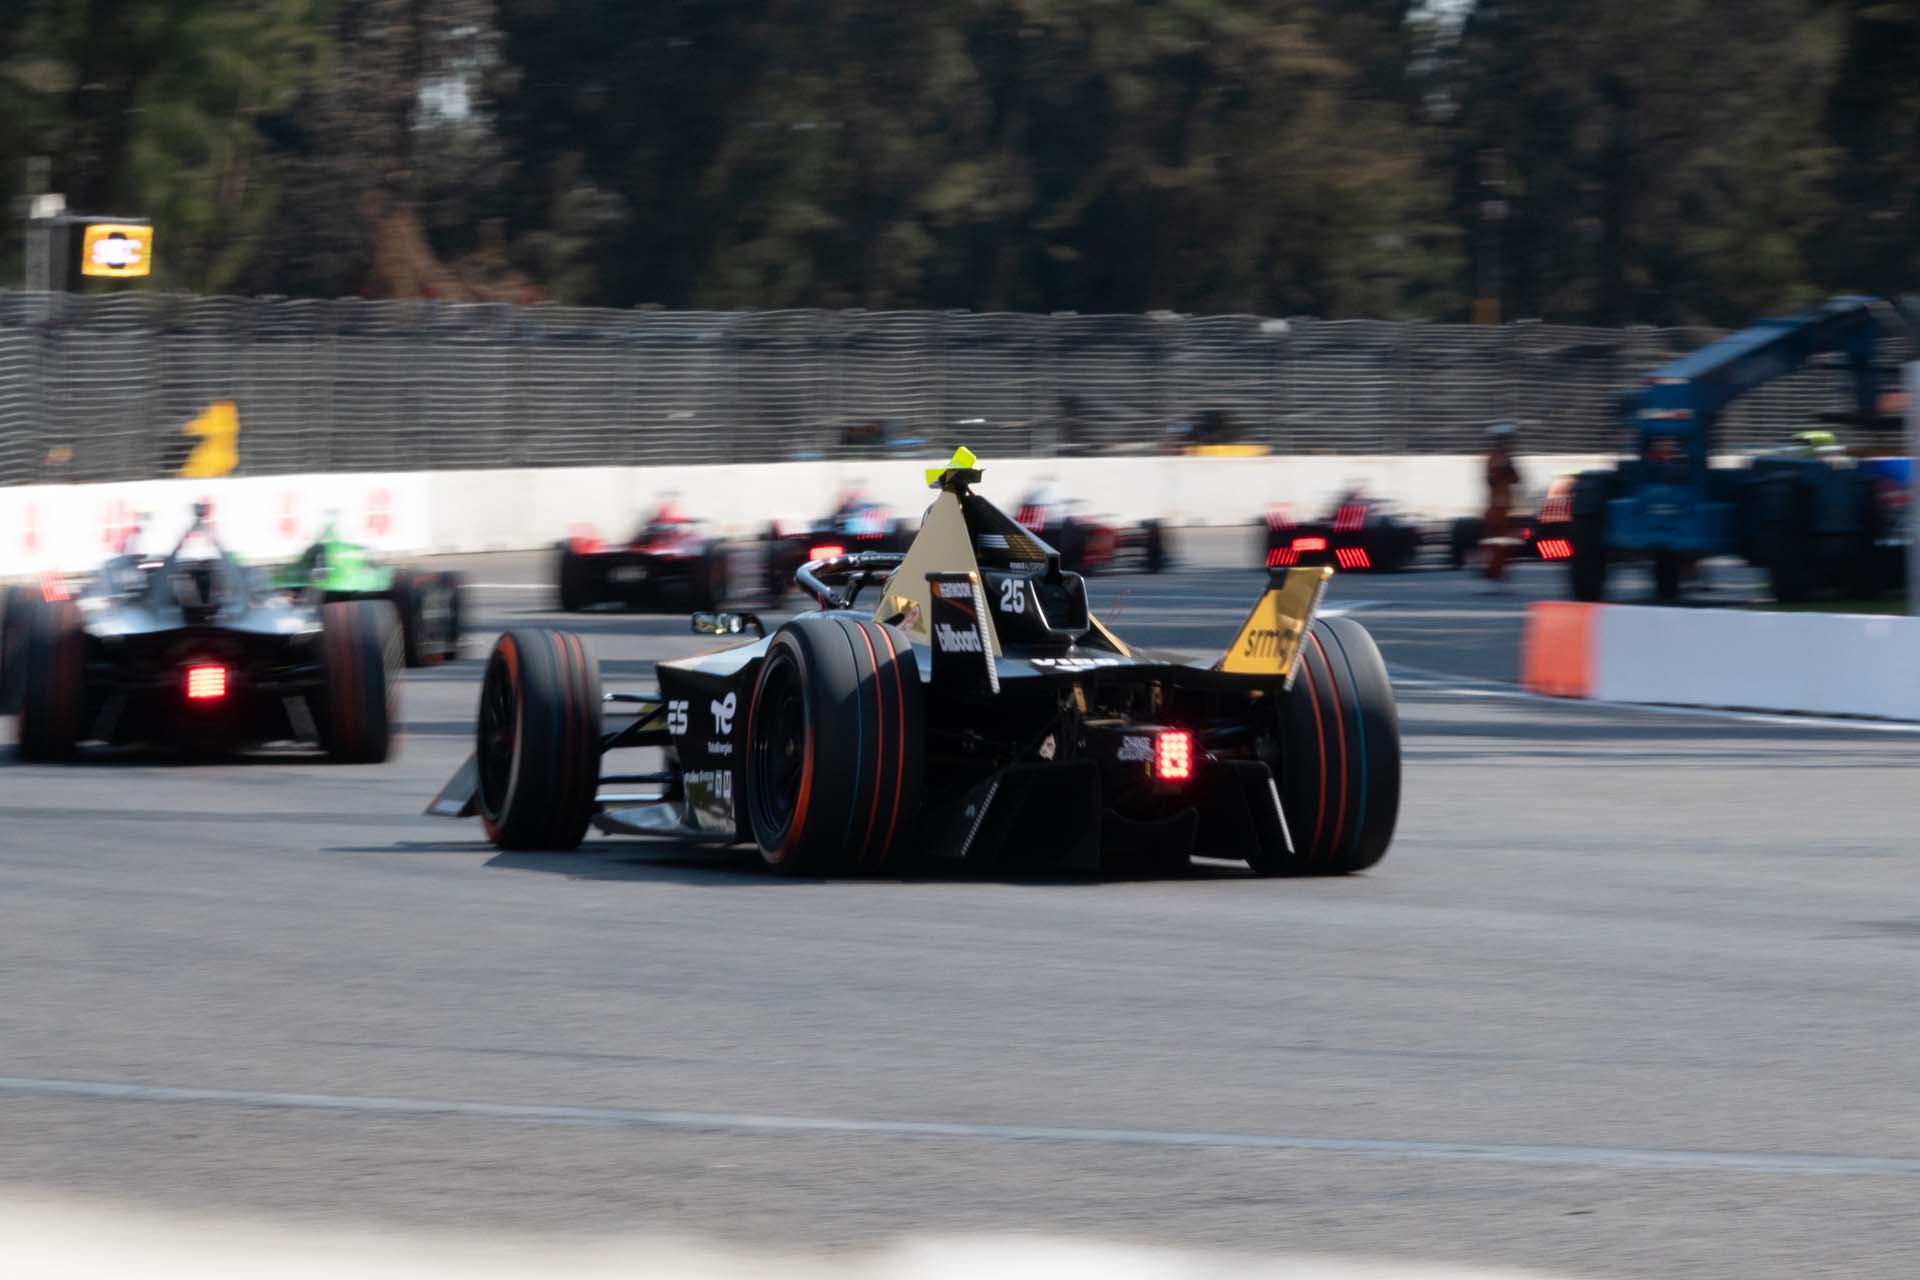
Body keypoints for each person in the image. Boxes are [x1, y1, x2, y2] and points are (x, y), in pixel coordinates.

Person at [1482, 422, 1521, 587]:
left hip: (1500, 505)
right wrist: (1506, 469)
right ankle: (1494, 571)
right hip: (1499, 506)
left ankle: (1496, 572)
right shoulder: (1497, 458)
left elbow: (1515, 478)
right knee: (1499, 541)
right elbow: (1493, 479)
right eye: (1504, 440)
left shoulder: (1499, 457)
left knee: (1501, 541)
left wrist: (1508, 469)